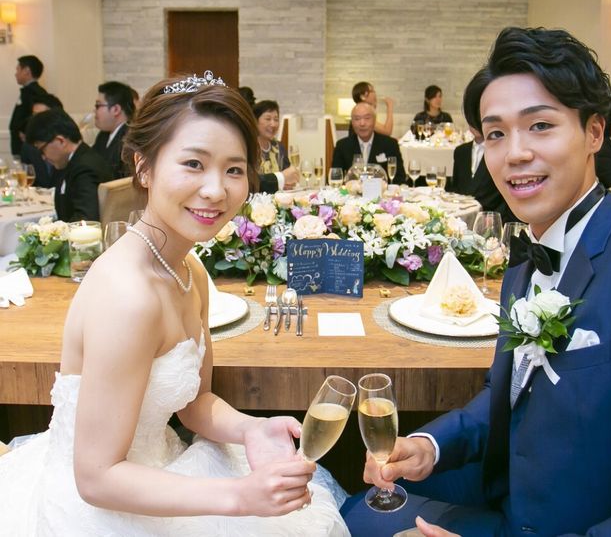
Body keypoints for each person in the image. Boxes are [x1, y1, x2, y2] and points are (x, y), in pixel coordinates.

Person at [342, 27, 611, 536]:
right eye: (495, 133)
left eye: (540, 126)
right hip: (510, 489)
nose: (514, 154)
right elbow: (509, 395)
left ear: (594, 133)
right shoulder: (524, 262)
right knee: (354, 511)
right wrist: (431, 446)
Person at [0, 73, 349, 535]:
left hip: (163, 473)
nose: (216, 190)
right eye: (193, 163)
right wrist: (239, 496)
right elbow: (96, 478)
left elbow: (194, 402)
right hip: (104, 509)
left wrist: (249, 428)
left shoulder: (188, 270)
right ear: (144, 167)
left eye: (234, 169)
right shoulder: (128, 295)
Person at [26, 108, 113, 222]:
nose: (43, 157)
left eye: (42, 150)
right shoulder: (72, 160)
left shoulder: (85, 169)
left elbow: (86, 220)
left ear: (61, 141)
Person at [449, 126, 516, 223]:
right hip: (461, 217)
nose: (475, 125)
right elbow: (456, 187)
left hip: (493, 217)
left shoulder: (500, 151)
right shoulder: (461, 151)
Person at [333, 102, 406, 184]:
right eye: (357, 119)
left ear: (375, 120)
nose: (362, 123)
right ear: (352, 122)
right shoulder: (342, 145)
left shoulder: (390, 144)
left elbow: (400, 179)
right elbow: (335, 178)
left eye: (367, 118)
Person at [252, 99, 300, 193]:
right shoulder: (249, 148)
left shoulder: (278, 147)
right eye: (268, 119)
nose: (273, 124)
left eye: (276, 119)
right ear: (255, 121)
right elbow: (251, 182)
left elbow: (289, 177)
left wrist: (290, 181)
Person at [19, 93, 64, 188]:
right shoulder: (29, 147)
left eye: (40, 116)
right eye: (34, 116)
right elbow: (28, 184)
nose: (35, 121)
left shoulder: (66, 145)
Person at [93, 81, 136, 179]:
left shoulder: (131, 138)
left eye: (98, 106)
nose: (94, 110)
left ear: (116, 109)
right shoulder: (103, 134)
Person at [9, 55, 48, 156]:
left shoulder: (35, 92)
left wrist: (25, 130)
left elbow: (39, 117)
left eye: (18, 70)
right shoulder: (27, 91)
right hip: (21, 147)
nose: (16, 74)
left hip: (27, 148)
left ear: (26, 71)